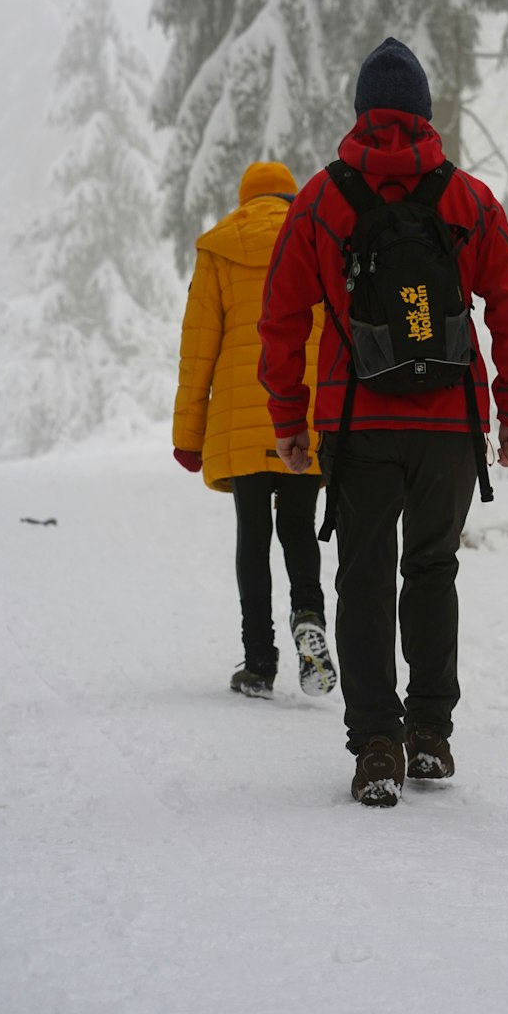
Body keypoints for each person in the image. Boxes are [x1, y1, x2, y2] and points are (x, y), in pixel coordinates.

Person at [259, 38, 508, 805]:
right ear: (423, 115)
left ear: (360, 115)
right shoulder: (467, 200)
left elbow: (282, 319)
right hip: (449, 426)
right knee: (432, 572)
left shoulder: (322, 200)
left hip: (358, 426)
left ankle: (376, 744)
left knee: (363, 580)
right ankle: (431, 735)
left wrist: (289, 419)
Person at [172, 161, 337, 701]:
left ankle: (259, 662)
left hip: (239, 418)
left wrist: (188, 435)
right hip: (303, 410)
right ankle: (309, 615)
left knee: (252, 535)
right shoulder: (314, 238)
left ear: (244, 201)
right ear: (290, 198)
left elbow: (198, 351)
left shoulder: (219, 247)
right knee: (297, 525)